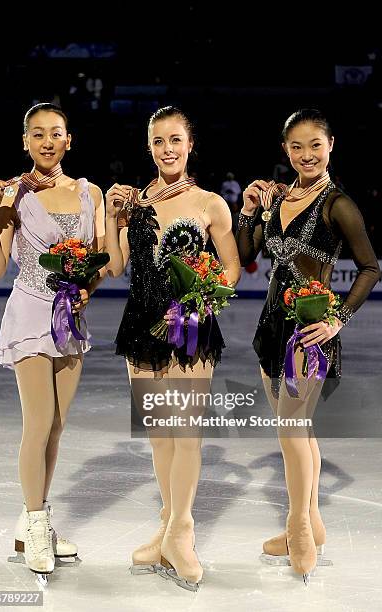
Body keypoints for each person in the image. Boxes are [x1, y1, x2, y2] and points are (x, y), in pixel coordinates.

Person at [237, 109, 380, 583]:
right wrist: (249, 212)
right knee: (300, 431)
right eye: (297, 146)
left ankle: (298, 527)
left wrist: (338, 319)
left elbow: (370, 268)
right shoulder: (280, 200)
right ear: (286, 150)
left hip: (309, 331)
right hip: (271, 327)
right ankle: (311, 522)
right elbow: (243, 255)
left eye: (315, 144)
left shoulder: (338, 204)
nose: (307, 155)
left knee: (291, 430)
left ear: (331, 145)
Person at [105, 106, 240, 591]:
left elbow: (230, 270)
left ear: (190, 144)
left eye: (176, 139)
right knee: (160, 435)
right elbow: (116, 266)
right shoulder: (133, 204)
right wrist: (109, 213)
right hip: (140, 327)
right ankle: (166, 528)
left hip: (192, 329)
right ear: (149, 147)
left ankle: (182, 531)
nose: (168, 148)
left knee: (187, 435)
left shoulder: (210, 204)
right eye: (159, 140)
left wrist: (198, 304)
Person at [0, 103, 105, 581]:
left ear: (69, 140)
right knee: (38, 422)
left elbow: (98, 262)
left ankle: (32, 516)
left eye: (56, 133)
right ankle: (36, 525)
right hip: (30, 310)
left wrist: (84, 293)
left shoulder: (88, 193)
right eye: (37, 134)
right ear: (25, 142)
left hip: (69, 320)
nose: (47, 141)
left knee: (56, 426)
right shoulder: (14, 192)